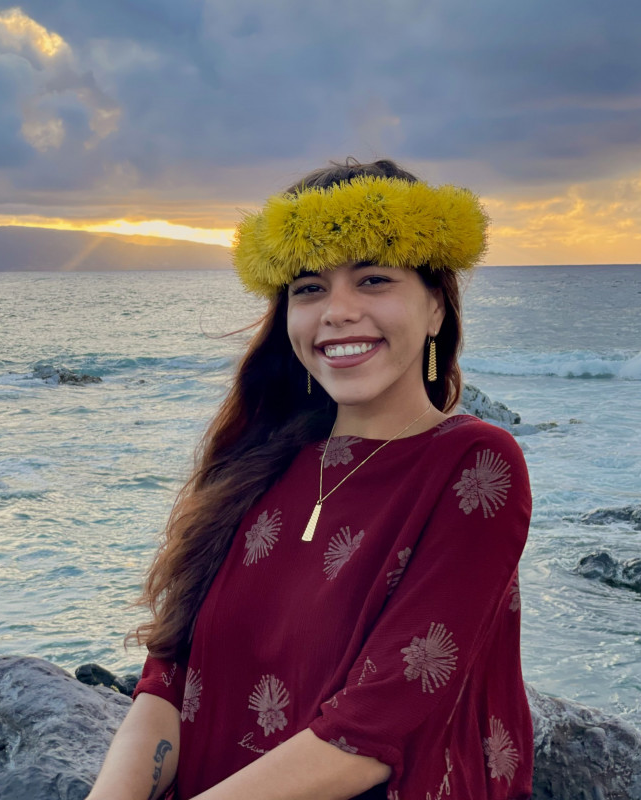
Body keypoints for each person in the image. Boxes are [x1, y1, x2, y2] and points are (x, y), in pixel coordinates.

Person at [88, 158, 533, 800]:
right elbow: (169, 677)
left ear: (436, 306)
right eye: (309, 288)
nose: (338, 312)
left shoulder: (474, 465)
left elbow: (373, 731)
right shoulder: (258, 461)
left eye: (374, 280)